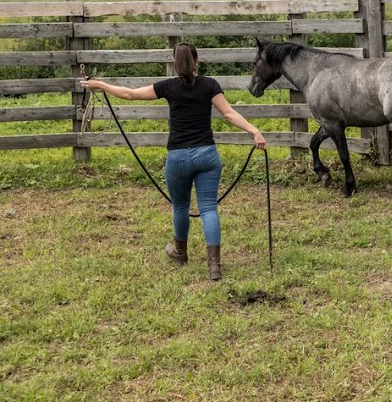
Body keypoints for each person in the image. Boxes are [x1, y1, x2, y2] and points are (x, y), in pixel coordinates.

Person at [81, 42, 266, 280]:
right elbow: (229, 113)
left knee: (180, 206)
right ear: (197, 60)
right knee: (208, 207)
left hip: (178, 157)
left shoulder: (168, 87)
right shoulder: (210, 85)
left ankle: (180, 252)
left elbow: (130, 94)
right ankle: (214, 265)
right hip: (207, 155)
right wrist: (254, 131)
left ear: (175, 64)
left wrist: (100, 85)